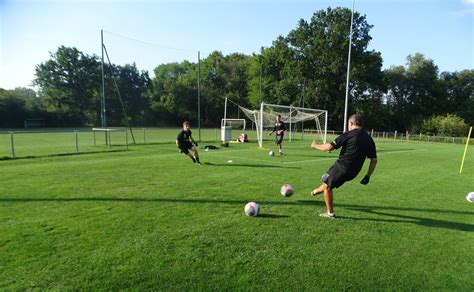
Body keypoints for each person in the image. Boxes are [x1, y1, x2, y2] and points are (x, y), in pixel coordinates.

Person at [310, 114, 377, 218]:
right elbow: (374, 160)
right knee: (327, 182)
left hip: (341, 168)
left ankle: (330, 213)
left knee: (327, 187)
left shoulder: (348, 134)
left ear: (350, 123)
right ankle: (315, 192)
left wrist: (315, 145)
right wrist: (368, 175)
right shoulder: (369, 139)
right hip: (354, 172)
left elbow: (328, 147)